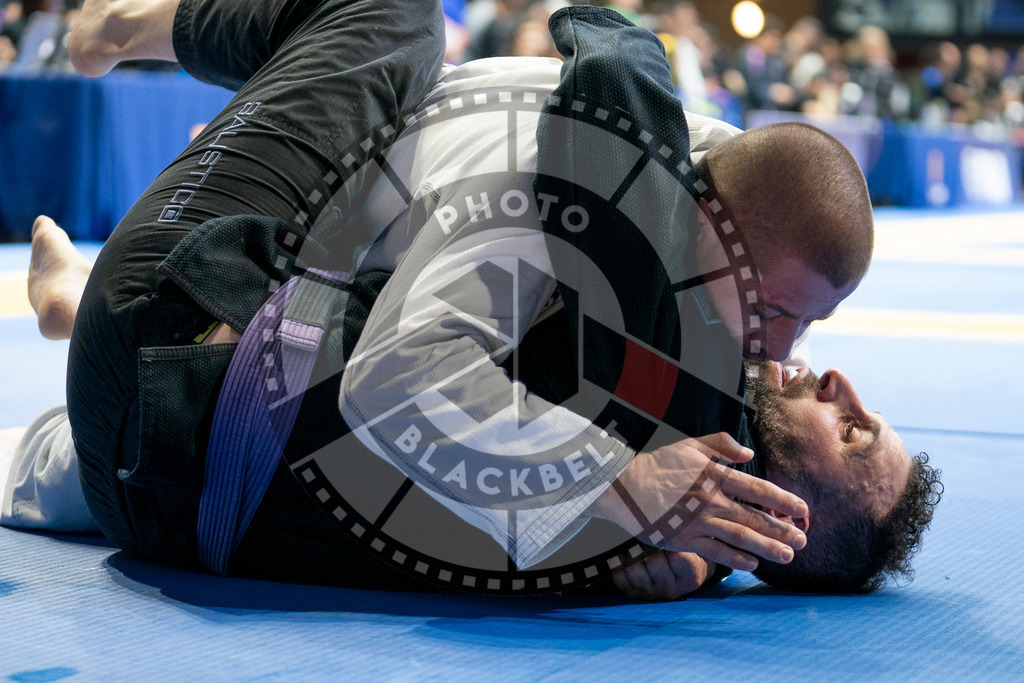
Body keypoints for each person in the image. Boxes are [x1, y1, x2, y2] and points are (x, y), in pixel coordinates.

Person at [9, 0, 924, 595]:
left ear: (771, 525)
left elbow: (377, 396)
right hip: (184, 403)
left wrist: (628, 485)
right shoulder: (582, 221)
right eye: (778, 307)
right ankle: (126, 28)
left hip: (167, 352)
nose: (806, 355)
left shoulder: (661, 504)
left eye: (851, 431)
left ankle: (87, 292)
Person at [4, 222, 942, 600]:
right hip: (247, 439)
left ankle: (80, 309)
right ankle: (78, 307)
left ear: (788, 525)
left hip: (252, 426)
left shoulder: (674, 546)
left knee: (94, 451)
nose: (841, 386)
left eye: (853, 426)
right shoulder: (714, 380)